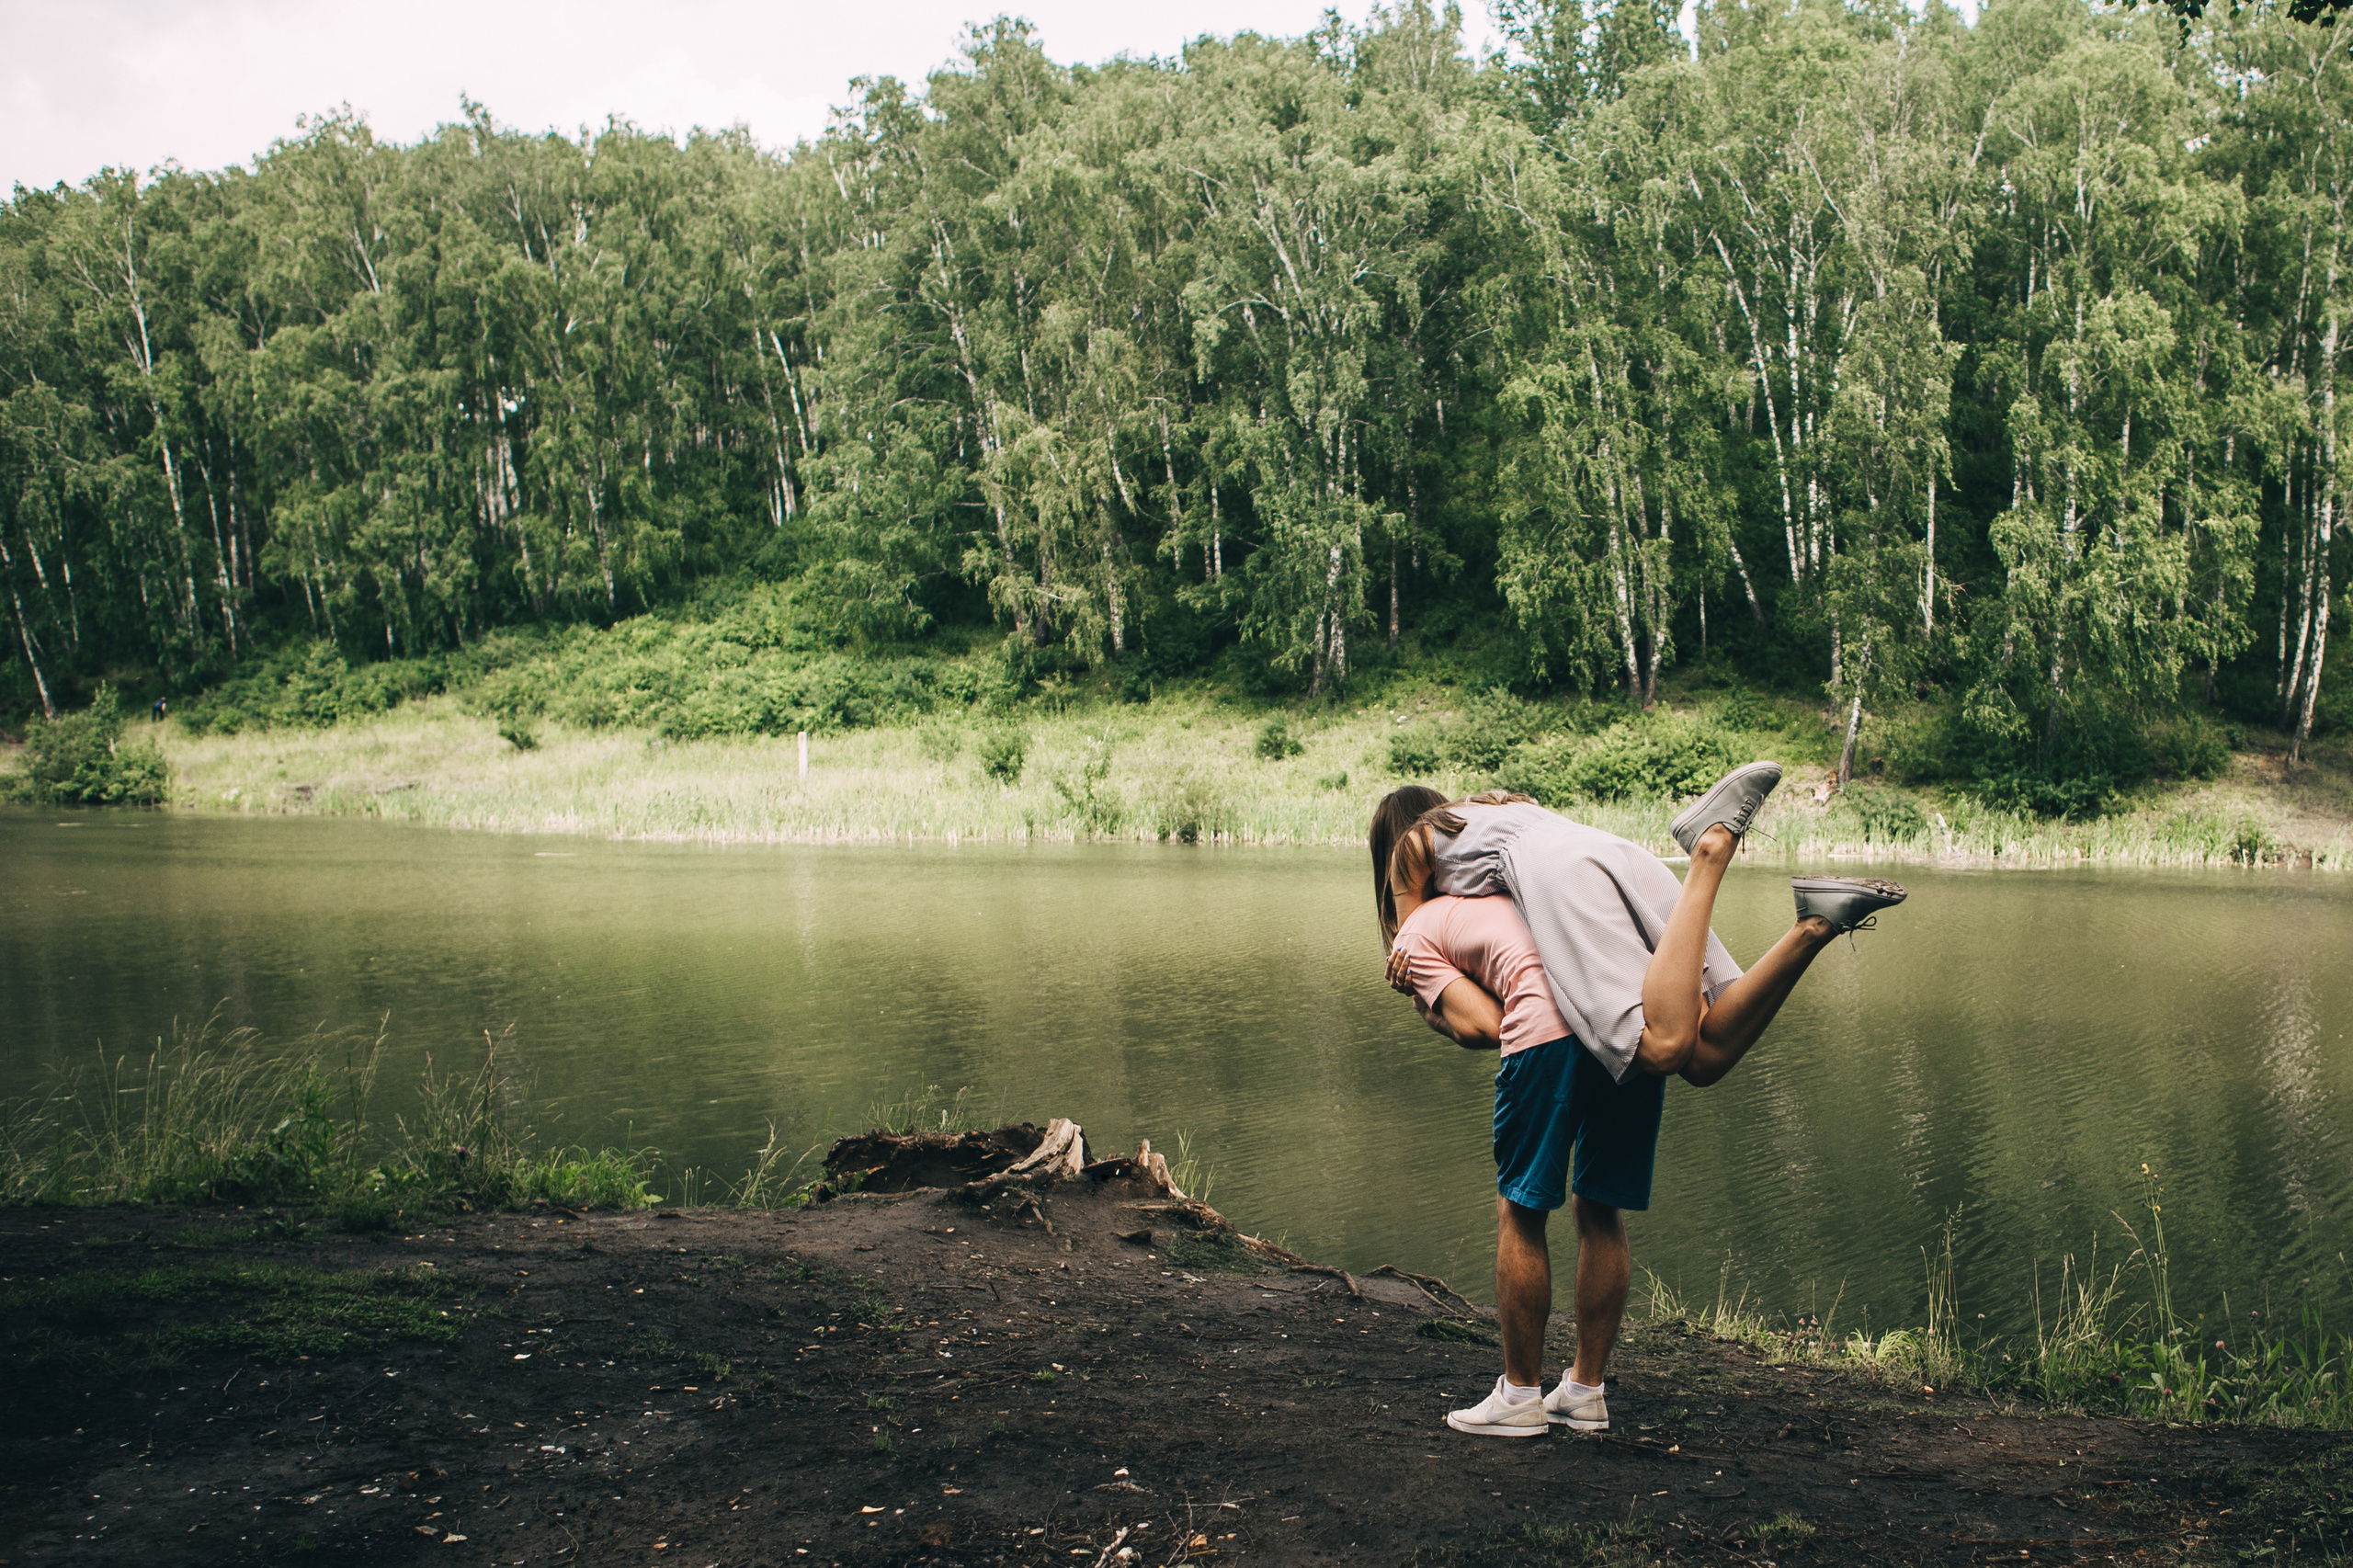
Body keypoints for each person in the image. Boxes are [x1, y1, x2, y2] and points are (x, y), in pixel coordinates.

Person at [1369, 772, 1905, 1438]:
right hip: (1621, 864)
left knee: (1531, 1199)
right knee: (1698, 1062)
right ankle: (1813, 924)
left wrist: (1420, 991)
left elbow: (1477, 1017)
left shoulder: (1417, 862)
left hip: (1548, 1010)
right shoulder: (1508, 817)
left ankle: (1518, 1397)